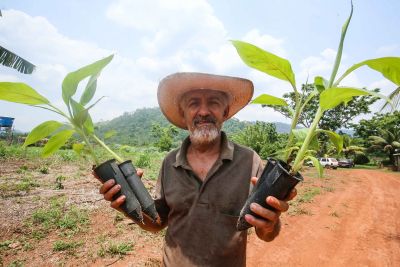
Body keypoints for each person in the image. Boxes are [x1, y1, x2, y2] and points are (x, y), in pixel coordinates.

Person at [97, 72, 296, 267]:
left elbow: (265, 233)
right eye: (193, 103)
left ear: (225, 112)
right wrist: (128, 206)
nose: (203, 111)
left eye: (214, 102)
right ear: (184, 115)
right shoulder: (169, 162)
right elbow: (157, 223)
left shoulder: (249, 161)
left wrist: (270, 224)